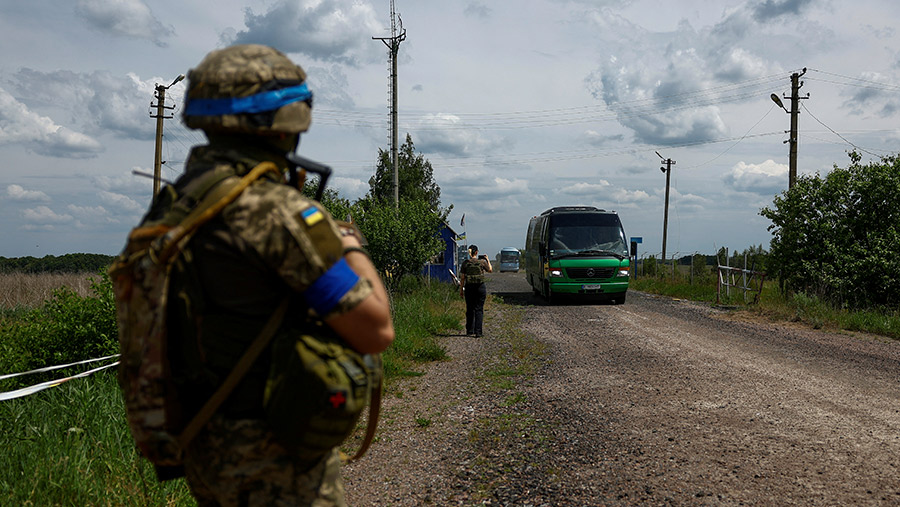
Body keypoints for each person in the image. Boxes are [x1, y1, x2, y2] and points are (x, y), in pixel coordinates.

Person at [153, 44, 394, 506]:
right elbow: (375, 328)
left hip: (205, 441)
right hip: (274, 455)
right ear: (286, 123)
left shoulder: (180, 202)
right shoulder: (272, 211)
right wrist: (348, 245)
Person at [459, 244, 492, 337]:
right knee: (479, 309)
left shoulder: (465, 263)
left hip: (469, 288)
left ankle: (469, 330)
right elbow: (490, 270)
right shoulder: (482, 262)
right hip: (480, 287)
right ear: (476, 252)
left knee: (470, 309)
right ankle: (478, 332)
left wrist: (461, 290)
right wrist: (487, 259)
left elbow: (462, 278)